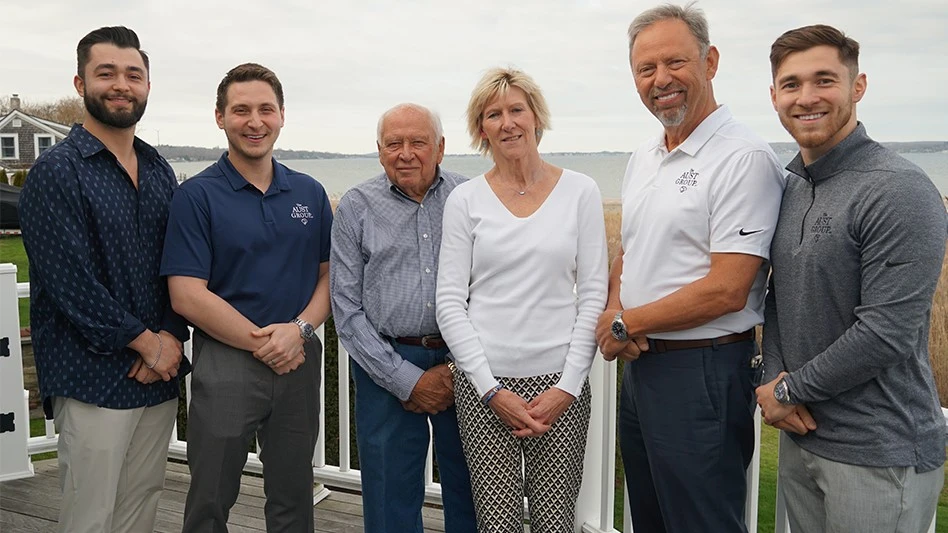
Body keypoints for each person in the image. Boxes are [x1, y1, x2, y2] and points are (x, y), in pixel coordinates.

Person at [594, 4, 786, 532]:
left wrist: (624, 324)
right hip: (644, 366)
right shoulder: (644, 156)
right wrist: (615, 310)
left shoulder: (742, 157)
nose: (661, 80)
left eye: (675, 62)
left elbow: (727, 289)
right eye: (646, 69)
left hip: (703, 370)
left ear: (710, 61)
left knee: (702, 522)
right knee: (650, 519)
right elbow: (630, 251)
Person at [756, 24, 947, 533]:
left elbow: (886, 332)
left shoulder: (898, 189)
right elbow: (778, 297)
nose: (806, 97)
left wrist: (788, 391)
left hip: (879, 452)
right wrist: (772, 382)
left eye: (824, 80)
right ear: (774, 96)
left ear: (857, 86)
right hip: (803, 436)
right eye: (792, 84)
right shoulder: (794, 186)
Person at [18, 26, 187, 533]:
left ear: (147, 85)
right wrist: (148, 345)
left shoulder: (158, 170)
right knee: (91, 516)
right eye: (106, 73)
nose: (121, 85)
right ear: (80, 83)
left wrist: (169, 337)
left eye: (133, 75)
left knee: (141, 506)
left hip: (155, 377)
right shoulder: (57, 171)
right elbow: (71, 284)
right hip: (91, 377)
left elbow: (178, 266)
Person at [160, 63, 332, 532]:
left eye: (265, 110)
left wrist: (298, 331)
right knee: (210, 499)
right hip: (227, 363)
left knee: (294, 496)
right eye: (241, 110)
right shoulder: (196, 196)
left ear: (282, 116)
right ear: (220, 117)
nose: (254, 122)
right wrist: (268, 343)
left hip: (298, 360)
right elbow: (186, 295)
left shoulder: (309, 192)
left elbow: (330, 276)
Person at [436, 67, 608, 532]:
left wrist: (568, 386)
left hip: (561, 387)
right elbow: (449, 302)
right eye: (494, 114)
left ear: (536, 117)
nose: (508, 122)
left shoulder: (580, 191)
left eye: (517, 110)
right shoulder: (465, 200)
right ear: (481, 129)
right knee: (497, 523)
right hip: (485, 388)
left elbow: (594, 293)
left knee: (556, 521)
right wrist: (490, 390)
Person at [330, 103, 477, 533]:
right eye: (394, 143)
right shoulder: (356, 206)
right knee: (389, 497)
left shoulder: (470, 198)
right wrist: (407, 380)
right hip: (384, 364)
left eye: (418, 142)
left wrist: (455, 368)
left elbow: (492, 292)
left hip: (464, 362)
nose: (406, 153)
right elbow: (346, 309)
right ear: (379, 151)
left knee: (473, 492)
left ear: (441, 148)